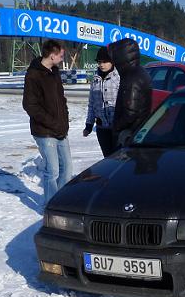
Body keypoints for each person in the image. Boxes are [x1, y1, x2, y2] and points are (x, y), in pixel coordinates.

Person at [22, 39, 72, 207]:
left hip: (60, 130)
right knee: (53, 171)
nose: (62, 59)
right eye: (61, 56)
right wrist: (52, 123)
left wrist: (64, 121)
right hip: (44, 132)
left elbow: (61, 100)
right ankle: (51, 206)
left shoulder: (55, 72)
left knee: (67, 169)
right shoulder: (33, 75)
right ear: (52, 55)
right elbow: (30, 105)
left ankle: (61, 203)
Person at [108, 38, 152, 149]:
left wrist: (117, 127)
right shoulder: (139, 72)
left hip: (129, 134)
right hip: (137, 131)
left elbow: (130, 113)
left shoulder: (132, 78)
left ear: (121, 57)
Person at [83, 46, 119, 157]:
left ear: (112, 61)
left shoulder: (119, 78)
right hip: (102, 128)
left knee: (118, 159)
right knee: (107, 159)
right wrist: (89, 124)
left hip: (117, 127)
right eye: (99, 62)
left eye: (104, 62)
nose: (101, 65)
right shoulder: (95, 79)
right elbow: (92, 104)